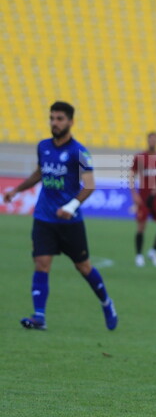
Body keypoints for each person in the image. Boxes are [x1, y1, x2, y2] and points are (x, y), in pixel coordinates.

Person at [2, 101, 118, 331]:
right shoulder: (43, 146)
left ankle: (106, 302)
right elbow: (39, 172)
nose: (54, 123)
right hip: (44, 217)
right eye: (52, 118)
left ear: (70, 122)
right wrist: (17, 189)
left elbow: (90, 185)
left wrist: (71, 205)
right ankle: (39, 316)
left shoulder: (81, 152)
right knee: (41, 263)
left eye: (59, 119)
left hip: (69, 221)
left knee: (84, 267)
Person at [130, 131, 156, 267]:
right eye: (150, 139)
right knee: (141, 226)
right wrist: (134, 193)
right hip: (144, 198)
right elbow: (131, 175)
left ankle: (153, 251)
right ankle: (139, 255)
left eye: (155, 139)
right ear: (147, 140)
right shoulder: (140, 157)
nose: (153, 141)